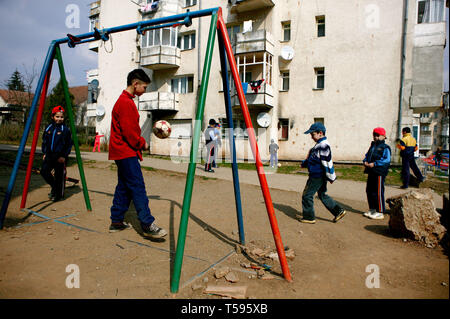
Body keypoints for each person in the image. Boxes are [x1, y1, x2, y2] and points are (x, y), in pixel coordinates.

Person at [108, 69, 167, 239]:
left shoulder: (124, 101)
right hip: (126, 152)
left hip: (121, 151)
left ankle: (117, 221)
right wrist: (143, 144)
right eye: (144, 87)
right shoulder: (126, 104)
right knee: (137, 187)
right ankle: (147, 224)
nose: (145, 90)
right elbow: (130, 134)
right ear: (135, 84)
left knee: (124, 187)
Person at [299, 122, 346, 224]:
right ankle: (338, 211)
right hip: (318, 175)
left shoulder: (323, 145)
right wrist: (304, 164)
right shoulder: (318, 145)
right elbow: (314, 159)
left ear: (320, 133)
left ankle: (309, 217)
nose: (311, 137)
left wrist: (331, 176)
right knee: (322, 194)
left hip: (317, 175)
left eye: (312, 134)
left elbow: (327, 162)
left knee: (307, 195)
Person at [41, 105, 73, 202]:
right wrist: (45, 152)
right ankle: (54, 187)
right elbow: (45, 141)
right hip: (50, 154)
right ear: (52, 117)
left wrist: (64, 156)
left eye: (61, 117)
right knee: (44, 171)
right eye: (57, 116)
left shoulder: (65, 129)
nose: (59, 119)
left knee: (59, 175)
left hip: (60, 156)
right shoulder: (49, 128)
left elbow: (68, 144)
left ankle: (58, 194)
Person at [363, 127, 391, 220]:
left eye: (377, 135)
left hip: (379, 172)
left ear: (383, 136)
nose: (375, 137)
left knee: (378, 191)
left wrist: (375, 164)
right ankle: (372, 209)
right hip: (371, 171)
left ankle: (380, 211)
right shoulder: (373, 145)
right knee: (369, 190)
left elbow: (386, 160)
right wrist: (365, 161)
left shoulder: (385, 147)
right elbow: (367, 155)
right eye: (374, 135)